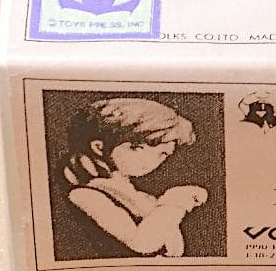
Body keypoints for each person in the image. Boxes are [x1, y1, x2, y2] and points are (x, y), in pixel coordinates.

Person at [60, 97, 206, 258]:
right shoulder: (85, 195)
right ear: (99, 147)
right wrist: (175, 201)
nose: (151, 157)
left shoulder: (143, 199)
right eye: (137, 147)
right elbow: (142, 243)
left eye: (164, 153)